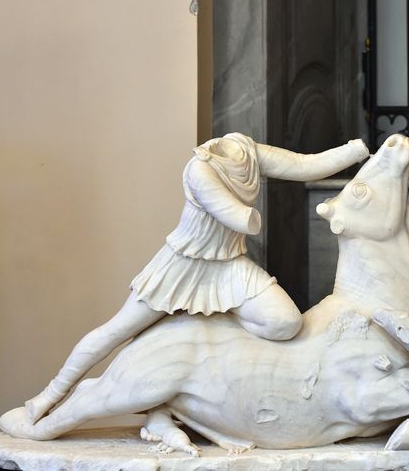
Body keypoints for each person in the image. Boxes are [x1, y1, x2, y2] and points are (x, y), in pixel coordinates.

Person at [25, 132, 370, 424]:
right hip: (182, 266)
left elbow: (301, 164)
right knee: (117, 330)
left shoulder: (245, 151)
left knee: (284, 323)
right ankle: (49, 396)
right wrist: (251, 218)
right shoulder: (199, 170)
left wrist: (354, 151)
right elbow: (235, 215)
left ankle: (204, 337)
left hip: (227, 265)